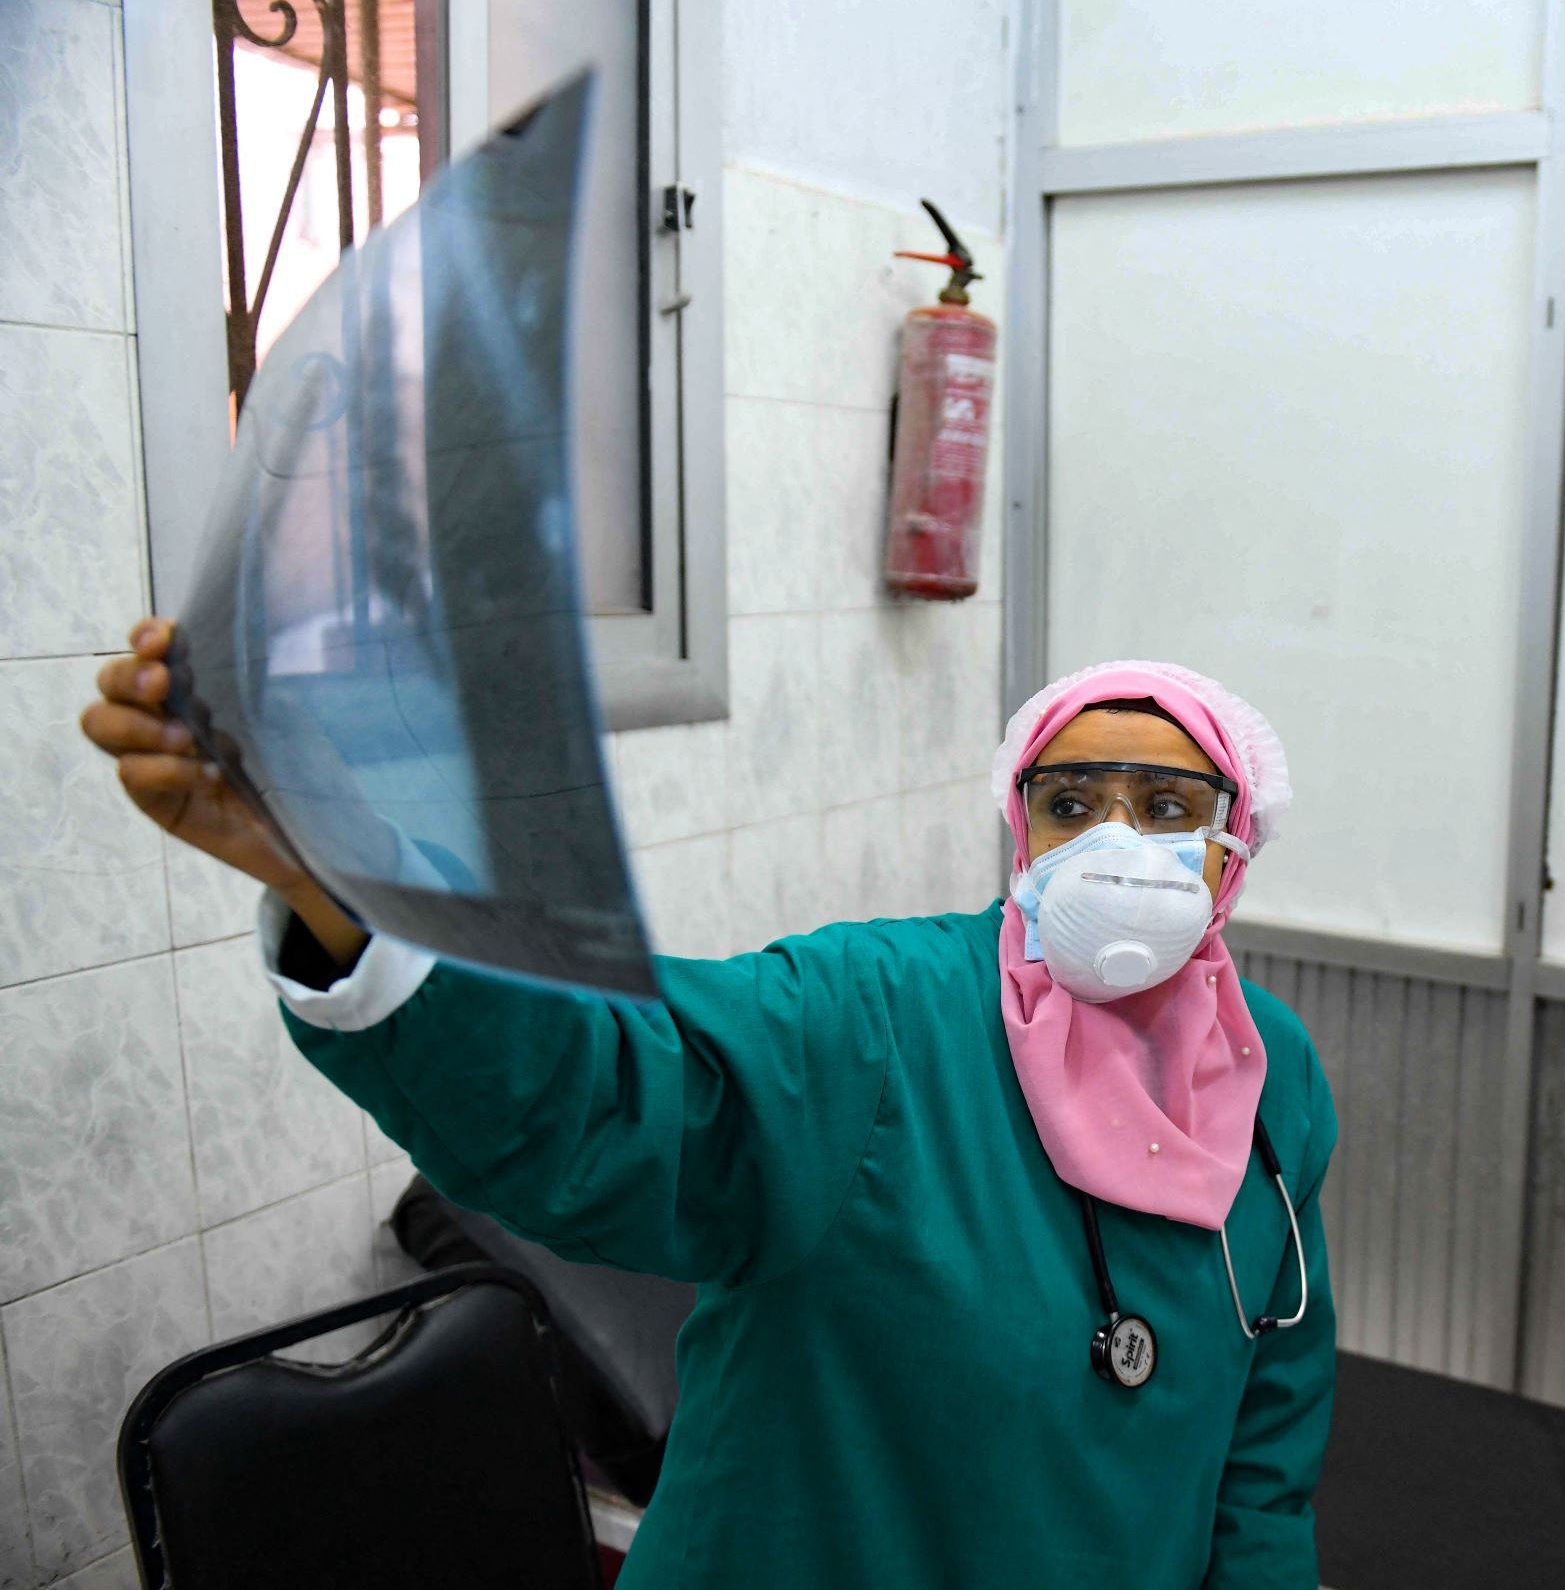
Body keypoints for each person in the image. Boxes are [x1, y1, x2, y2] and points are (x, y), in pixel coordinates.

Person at [81, 639, 1337, 1589]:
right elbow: (618, 1084)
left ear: (1235, 850)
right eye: (1071, 804)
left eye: (1168, 810)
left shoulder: (1270, 1071)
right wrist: (355, 887)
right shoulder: (874, 1018)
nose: (1115, 845)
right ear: (1022, 834)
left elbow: (1267, 1422)